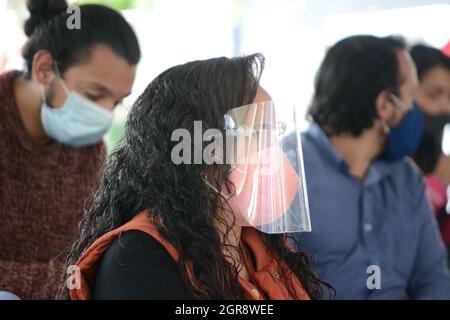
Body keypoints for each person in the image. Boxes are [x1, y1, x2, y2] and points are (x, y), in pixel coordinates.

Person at [63, 54, 332, 300]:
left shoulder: (258, 244)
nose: (273, 153)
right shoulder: (137, 258)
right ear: (199, 151)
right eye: (256, 134)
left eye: (272, 134)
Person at [0, 0, 141, 299]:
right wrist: (64, 280)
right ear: (44, 68)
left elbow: (88, 254)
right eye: (94, 94)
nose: (104, 115)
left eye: (116, 102)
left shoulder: (88, 151)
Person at [293, 35, 450, 299]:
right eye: (410, 96)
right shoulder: (287, 170)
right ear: (385, 105)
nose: (415, 110)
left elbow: (433, 278)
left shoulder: (405, 177)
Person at [411, 44, 450, 259]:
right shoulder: (383, 159)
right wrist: (436, 186)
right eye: (434, 95)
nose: (446, 107)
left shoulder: (433, 154)